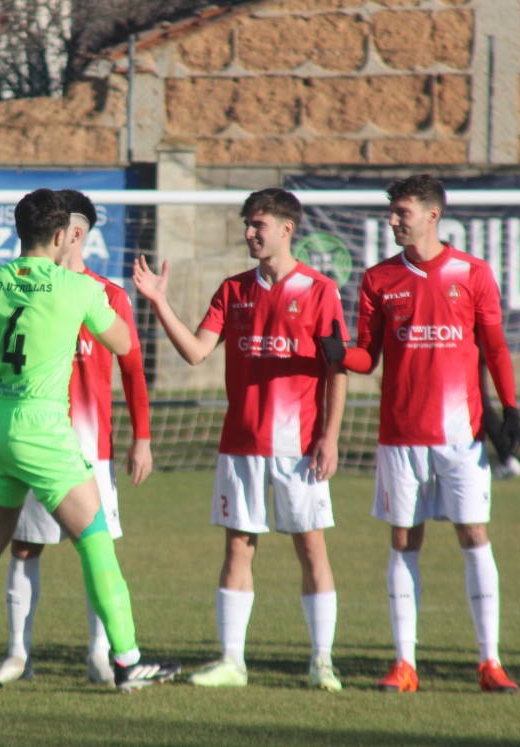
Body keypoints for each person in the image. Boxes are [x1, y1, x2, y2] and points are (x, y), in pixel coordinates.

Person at [0, 187, 179, 693]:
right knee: (95, 543)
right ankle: (128, 662)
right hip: (44, 428)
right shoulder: (77, 289)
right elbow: (124, 344)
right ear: (65, 235)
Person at [132, 188, 348, 692]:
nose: (250, 233)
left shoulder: (321, 291)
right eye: (248, 225)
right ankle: (232, 662)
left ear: (286, 228)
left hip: (299, 449)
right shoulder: (233, 291)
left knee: (311, 548)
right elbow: (196, 352)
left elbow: (337, 370)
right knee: (238, 548)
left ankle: (322, 662)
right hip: (241, 444)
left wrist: (330, 438)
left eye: (259, 224)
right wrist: (160, 302)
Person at [317, 174, 520, 694]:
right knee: (404, 540)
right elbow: (368, 356)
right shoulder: (378, 279)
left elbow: (494, 348)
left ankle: (489, 662)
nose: (392, 220)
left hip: (461, 436)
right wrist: (341, 353)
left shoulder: (472, 274)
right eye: (391, 212)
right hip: (401, 436)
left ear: (433, 215)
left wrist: (510, 408)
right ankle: (404, 664)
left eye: (401, 212)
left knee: (474, 535)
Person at [0, 189, 152, 686]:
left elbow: (133, 367)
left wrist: (141, 437)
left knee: (94, 548)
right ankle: (18, 655)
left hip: (90, 448)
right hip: (34, 438)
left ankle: (101, 654)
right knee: (23, 547)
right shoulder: (20, 289)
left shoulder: (105, 294)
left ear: (74, 233)